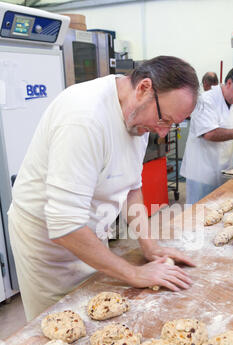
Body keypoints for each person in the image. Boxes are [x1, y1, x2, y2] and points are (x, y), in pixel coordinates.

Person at [8, 56, 200, 321]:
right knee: (57, 326)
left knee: (96, 311)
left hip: (87, 230)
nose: (163, 132)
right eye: (164, 119)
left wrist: (149, 246)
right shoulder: (84, 119)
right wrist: (133, 273)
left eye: (171, 124)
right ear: (144, 88)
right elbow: (64, 224)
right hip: (48, 244)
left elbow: (131, 187)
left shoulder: (139, 117)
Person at [180, 66, 233, 205]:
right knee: (197, 215)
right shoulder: (205, 100)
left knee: (216, 213)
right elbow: (209, 134)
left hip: (223, 170)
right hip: (202, 173)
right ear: (229, 83)